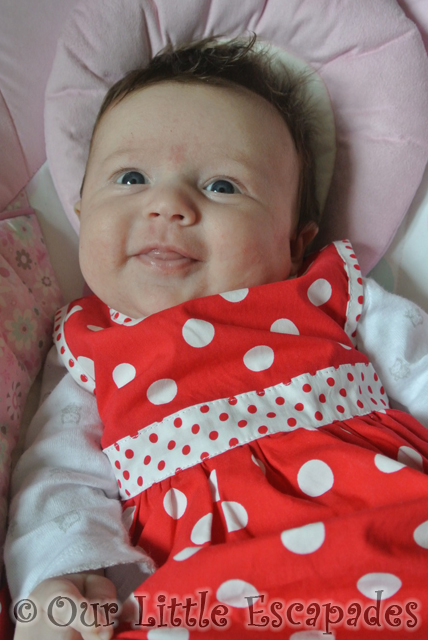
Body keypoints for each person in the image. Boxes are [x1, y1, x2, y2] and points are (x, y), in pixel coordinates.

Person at [5, 36, 428, 640]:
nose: (168, 205)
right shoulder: (89, 347)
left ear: (294, 242)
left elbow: (419, 367)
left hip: (391, 535)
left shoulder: (329, 295)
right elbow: (58, 482)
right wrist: (59, 580)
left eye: (223, 187)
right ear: (79, 210)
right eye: (130, 178)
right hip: (201, 592)